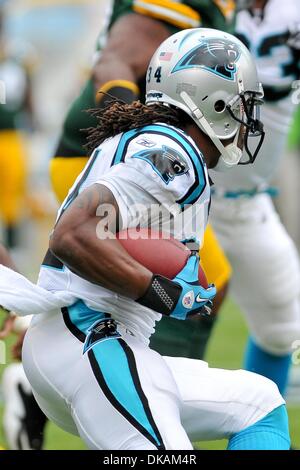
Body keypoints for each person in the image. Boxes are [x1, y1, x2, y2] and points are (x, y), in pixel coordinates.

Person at [0, 28, 290, 450]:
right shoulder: (176, 153)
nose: (248, 118)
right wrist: (163, 292)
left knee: (260, 404)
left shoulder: (150, 139)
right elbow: (74, 234)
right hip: (92, 341)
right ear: (215, 100)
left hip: (87, 343)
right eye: (243, 103)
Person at [50, 0, 235, 360]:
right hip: (113, 161)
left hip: (127, 160)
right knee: (196, 278)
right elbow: (114, 63)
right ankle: (162, 389)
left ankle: (43, 375)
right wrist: (139, 138)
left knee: (90, 289)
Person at [210, 0, 300, 396]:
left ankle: (260, 428)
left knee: (283, 330)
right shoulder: (205, 8)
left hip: (248, 202)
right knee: (152, 320)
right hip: (183, 198)